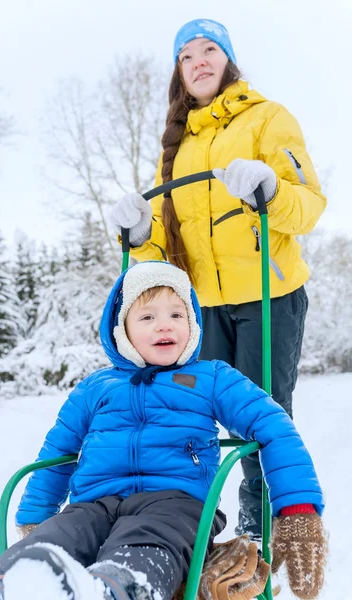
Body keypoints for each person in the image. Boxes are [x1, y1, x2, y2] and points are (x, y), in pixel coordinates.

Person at [0, 261, 326, 600]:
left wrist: (298, 508)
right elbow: (57, 450)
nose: (165, 324)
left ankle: (116, 588)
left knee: (146, 542)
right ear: (122, 330)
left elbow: (274, 425)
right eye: (147, 317)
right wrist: (37, 514)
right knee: (57, 538)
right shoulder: (96, 387)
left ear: (193, 324)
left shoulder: (212, 378)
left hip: (175, 505)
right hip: (93, 505)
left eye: (177, 314)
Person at [109, 18, 327, 543]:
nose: (199, 61)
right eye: (187, 55)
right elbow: (166, 246)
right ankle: (190, 523)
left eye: (209, 50)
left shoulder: (268, 118)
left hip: (268, 298)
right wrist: (140, 233)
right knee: (195, 414)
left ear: (228, 60)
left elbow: (308, 207)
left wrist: (270, 188)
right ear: (179, 73)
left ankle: (262, 532)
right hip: (202, 307)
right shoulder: (178, 146)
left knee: (258, 417)